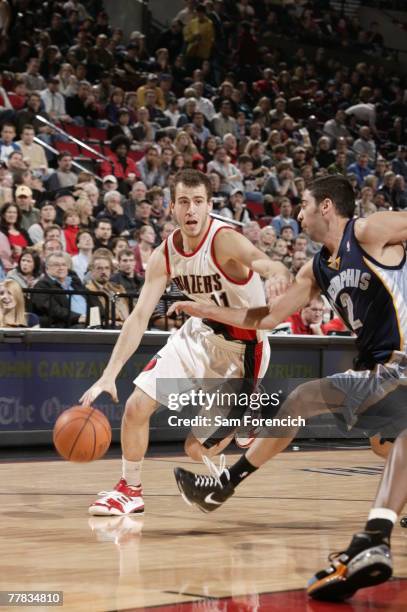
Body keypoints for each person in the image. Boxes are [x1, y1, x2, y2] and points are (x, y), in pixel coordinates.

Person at [171, 174, 407, 601]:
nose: (297, 213)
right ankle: (225, 485)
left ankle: (374, 536)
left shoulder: (371, 231)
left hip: (401, 362)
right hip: (377, 370)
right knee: (318, 408)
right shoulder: (314, 269)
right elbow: (263, 317)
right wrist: (200, 307)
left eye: (303, 204)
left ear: (327, 208)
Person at [80, 169, 289, 516]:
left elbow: (261, 260)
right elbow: (139, 316)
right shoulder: (163, 255)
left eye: (198, 202)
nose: (191, 210)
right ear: (172, 208)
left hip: (243, 353)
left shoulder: (224, 241)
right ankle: (129, 490)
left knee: (195, 448)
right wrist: (109, 373)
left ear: (209, 206)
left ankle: (251, 411)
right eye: (183, 202)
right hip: (197, 336)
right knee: (135, 407)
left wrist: (279, 273)